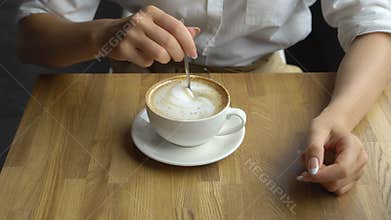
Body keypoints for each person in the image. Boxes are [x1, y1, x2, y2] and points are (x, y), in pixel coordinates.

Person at [17, 0, 391, 195]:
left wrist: (339, 118)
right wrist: (103, 35)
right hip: (138, 79)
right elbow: (30, 36)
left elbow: (377, 23)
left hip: (270, 80)